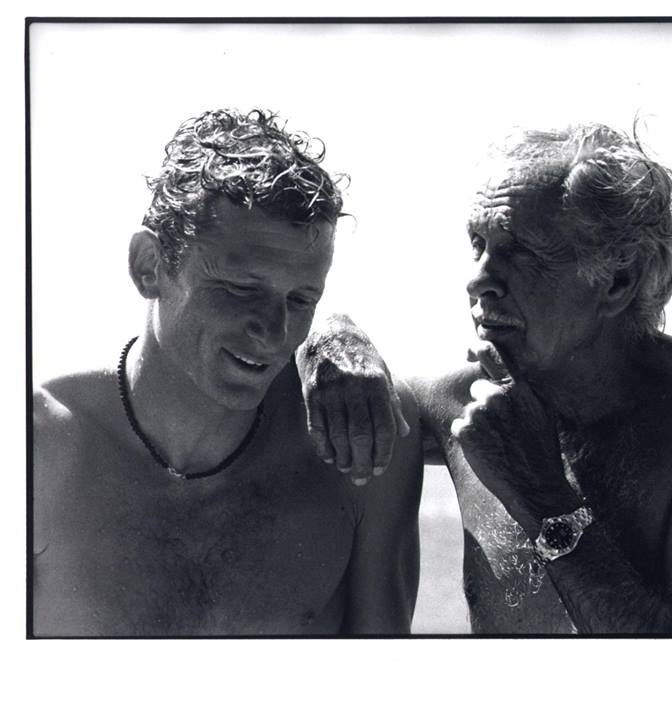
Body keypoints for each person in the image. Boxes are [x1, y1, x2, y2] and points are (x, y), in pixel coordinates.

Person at [300, 123, 672, 633]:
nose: (478, 279)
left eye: (521, 252)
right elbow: (348, 391)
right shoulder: (459, 401)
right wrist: (330, 335)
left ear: (620, 279)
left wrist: (539, 493)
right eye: (478, 243)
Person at [32, 109, 423, 636]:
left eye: (302, 300)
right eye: (240, 289)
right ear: (149, 266)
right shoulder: (40, 446)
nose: (274, 331)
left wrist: (337, 329)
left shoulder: (358, 449)